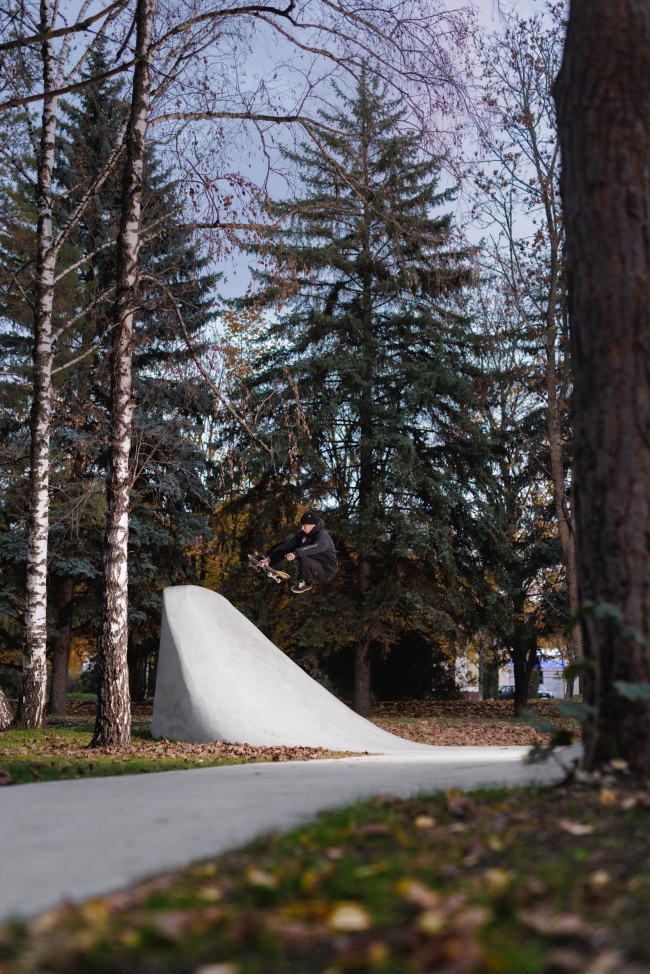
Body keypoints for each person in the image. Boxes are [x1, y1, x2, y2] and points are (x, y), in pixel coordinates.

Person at [260, 511, 338, 594]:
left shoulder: (323, 536)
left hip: (327, 570)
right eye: (302, 525)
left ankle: (307, 583)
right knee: (290, 545)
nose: (302, 528)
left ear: (313, 525)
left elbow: (314, 547)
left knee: (302, 556)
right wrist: (269, 558)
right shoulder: (304, 534)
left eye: (304, 526)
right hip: (314, 563)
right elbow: (288, 544)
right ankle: (267, 561)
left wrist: (295, 553)